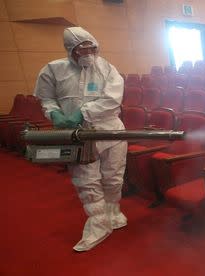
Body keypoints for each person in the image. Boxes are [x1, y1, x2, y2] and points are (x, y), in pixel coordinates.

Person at [34, 27, 128, 252]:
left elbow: (113, 99)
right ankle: (98, 224)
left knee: (113, 177)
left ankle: (113, 213)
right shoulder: (53, 70)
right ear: (71, 50)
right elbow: (46, 98)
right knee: (86, 182)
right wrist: (53, 113)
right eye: (81, 49)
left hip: (111, 132)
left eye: (91, 48)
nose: (87, 53)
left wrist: (83, 112)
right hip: (78, 136)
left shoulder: (107, 68)